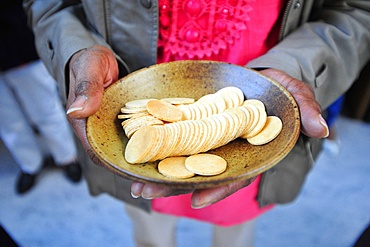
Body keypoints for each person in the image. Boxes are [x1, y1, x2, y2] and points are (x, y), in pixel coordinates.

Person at [23, 0, 370, 246]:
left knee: (235, 234)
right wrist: (74, 51)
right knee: (150, 234)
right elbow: (50, 4)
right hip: (127, 101)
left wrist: (298, 69)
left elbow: (356, 11)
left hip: (252, 122)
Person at [0, 0, 82, 194]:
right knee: (6, 119)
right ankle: (29, 164)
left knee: (45, 108)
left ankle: (66, 157)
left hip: (16, 39)